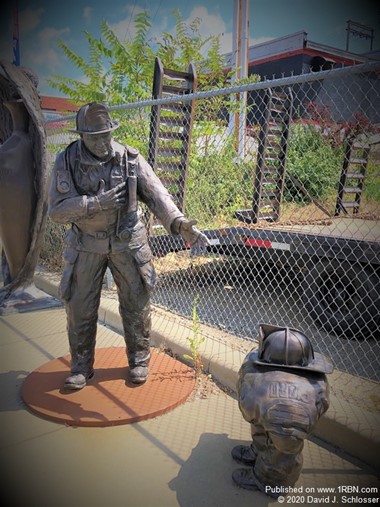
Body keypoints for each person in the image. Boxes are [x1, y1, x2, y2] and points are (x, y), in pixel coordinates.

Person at [48, 102, 209, 389]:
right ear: (82, 135)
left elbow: (157, 194)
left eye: (107, 135)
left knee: (136, 304)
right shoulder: (66, 160)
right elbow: (57, 210)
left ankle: (139, 360)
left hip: (128, 243)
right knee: (80, 308)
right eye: (95, 137)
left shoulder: (129, 158)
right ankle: (81, 367)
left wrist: (180, 223)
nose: (103, 142)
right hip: (86, 245)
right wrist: (96, 203)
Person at [231, 323, 333, 498]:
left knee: (282, 450)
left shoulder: (254, 378)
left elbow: (248, 411)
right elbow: (321, 406)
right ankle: (260, 450)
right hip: (302, 416)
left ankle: (268, 482)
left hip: (286, 422)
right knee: (272, 430)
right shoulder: (319, 382)